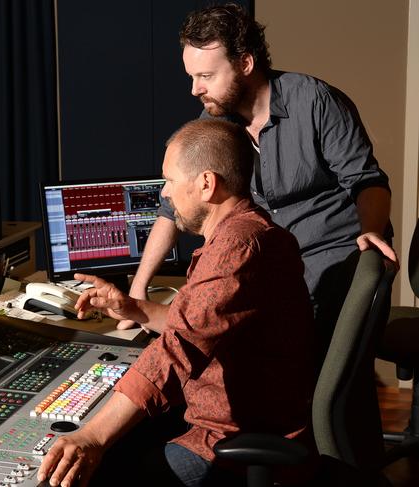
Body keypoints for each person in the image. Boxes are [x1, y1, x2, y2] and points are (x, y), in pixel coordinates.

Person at [37, 118, 316, 486]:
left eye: (169, 180)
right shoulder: (243, 232)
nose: (164, 194)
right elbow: (201, 322)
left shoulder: (239, 247)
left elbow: (180, 346)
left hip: (232, 438)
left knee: (95, 471)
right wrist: (135, 309)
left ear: (206, 183)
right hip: (227, 417)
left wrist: (92, 435)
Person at [120, 4, 396, 341]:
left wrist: (372, 230)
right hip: (274, 266)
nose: (195, 89)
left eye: (206, 76)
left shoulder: (314, 101)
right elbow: (171, 208)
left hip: (336, 259)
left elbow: (368, 182)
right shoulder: (214, 127)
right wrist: (139, 287)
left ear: (245, 64)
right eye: (192, 76)